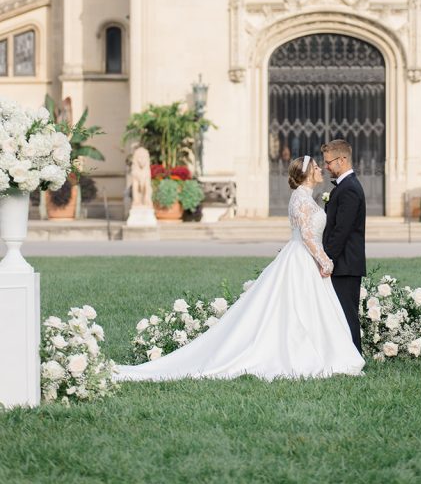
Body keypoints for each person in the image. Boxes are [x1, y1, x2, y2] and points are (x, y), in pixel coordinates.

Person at [113, 156, 364, 383]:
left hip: (302, 257)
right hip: (303, 256)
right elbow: (308, 236)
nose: (322, 169)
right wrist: (324, 260)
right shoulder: (301, 198)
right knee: (295, 306)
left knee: (307, 307)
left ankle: (319, 348)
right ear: (309, 173)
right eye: (318, 167)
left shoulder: (305, 196)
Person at [321, 139, 366, 353]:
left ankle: (355, 355)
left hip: (345, 263)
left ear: (342, 159)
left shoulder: (349, 189)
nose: (326, 166)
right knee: (339, 313)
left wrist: (326, 259)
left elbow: (341, 231)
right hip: (342, 263)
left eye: (329, 162)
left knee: (348, 314)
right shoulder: (346, 186)